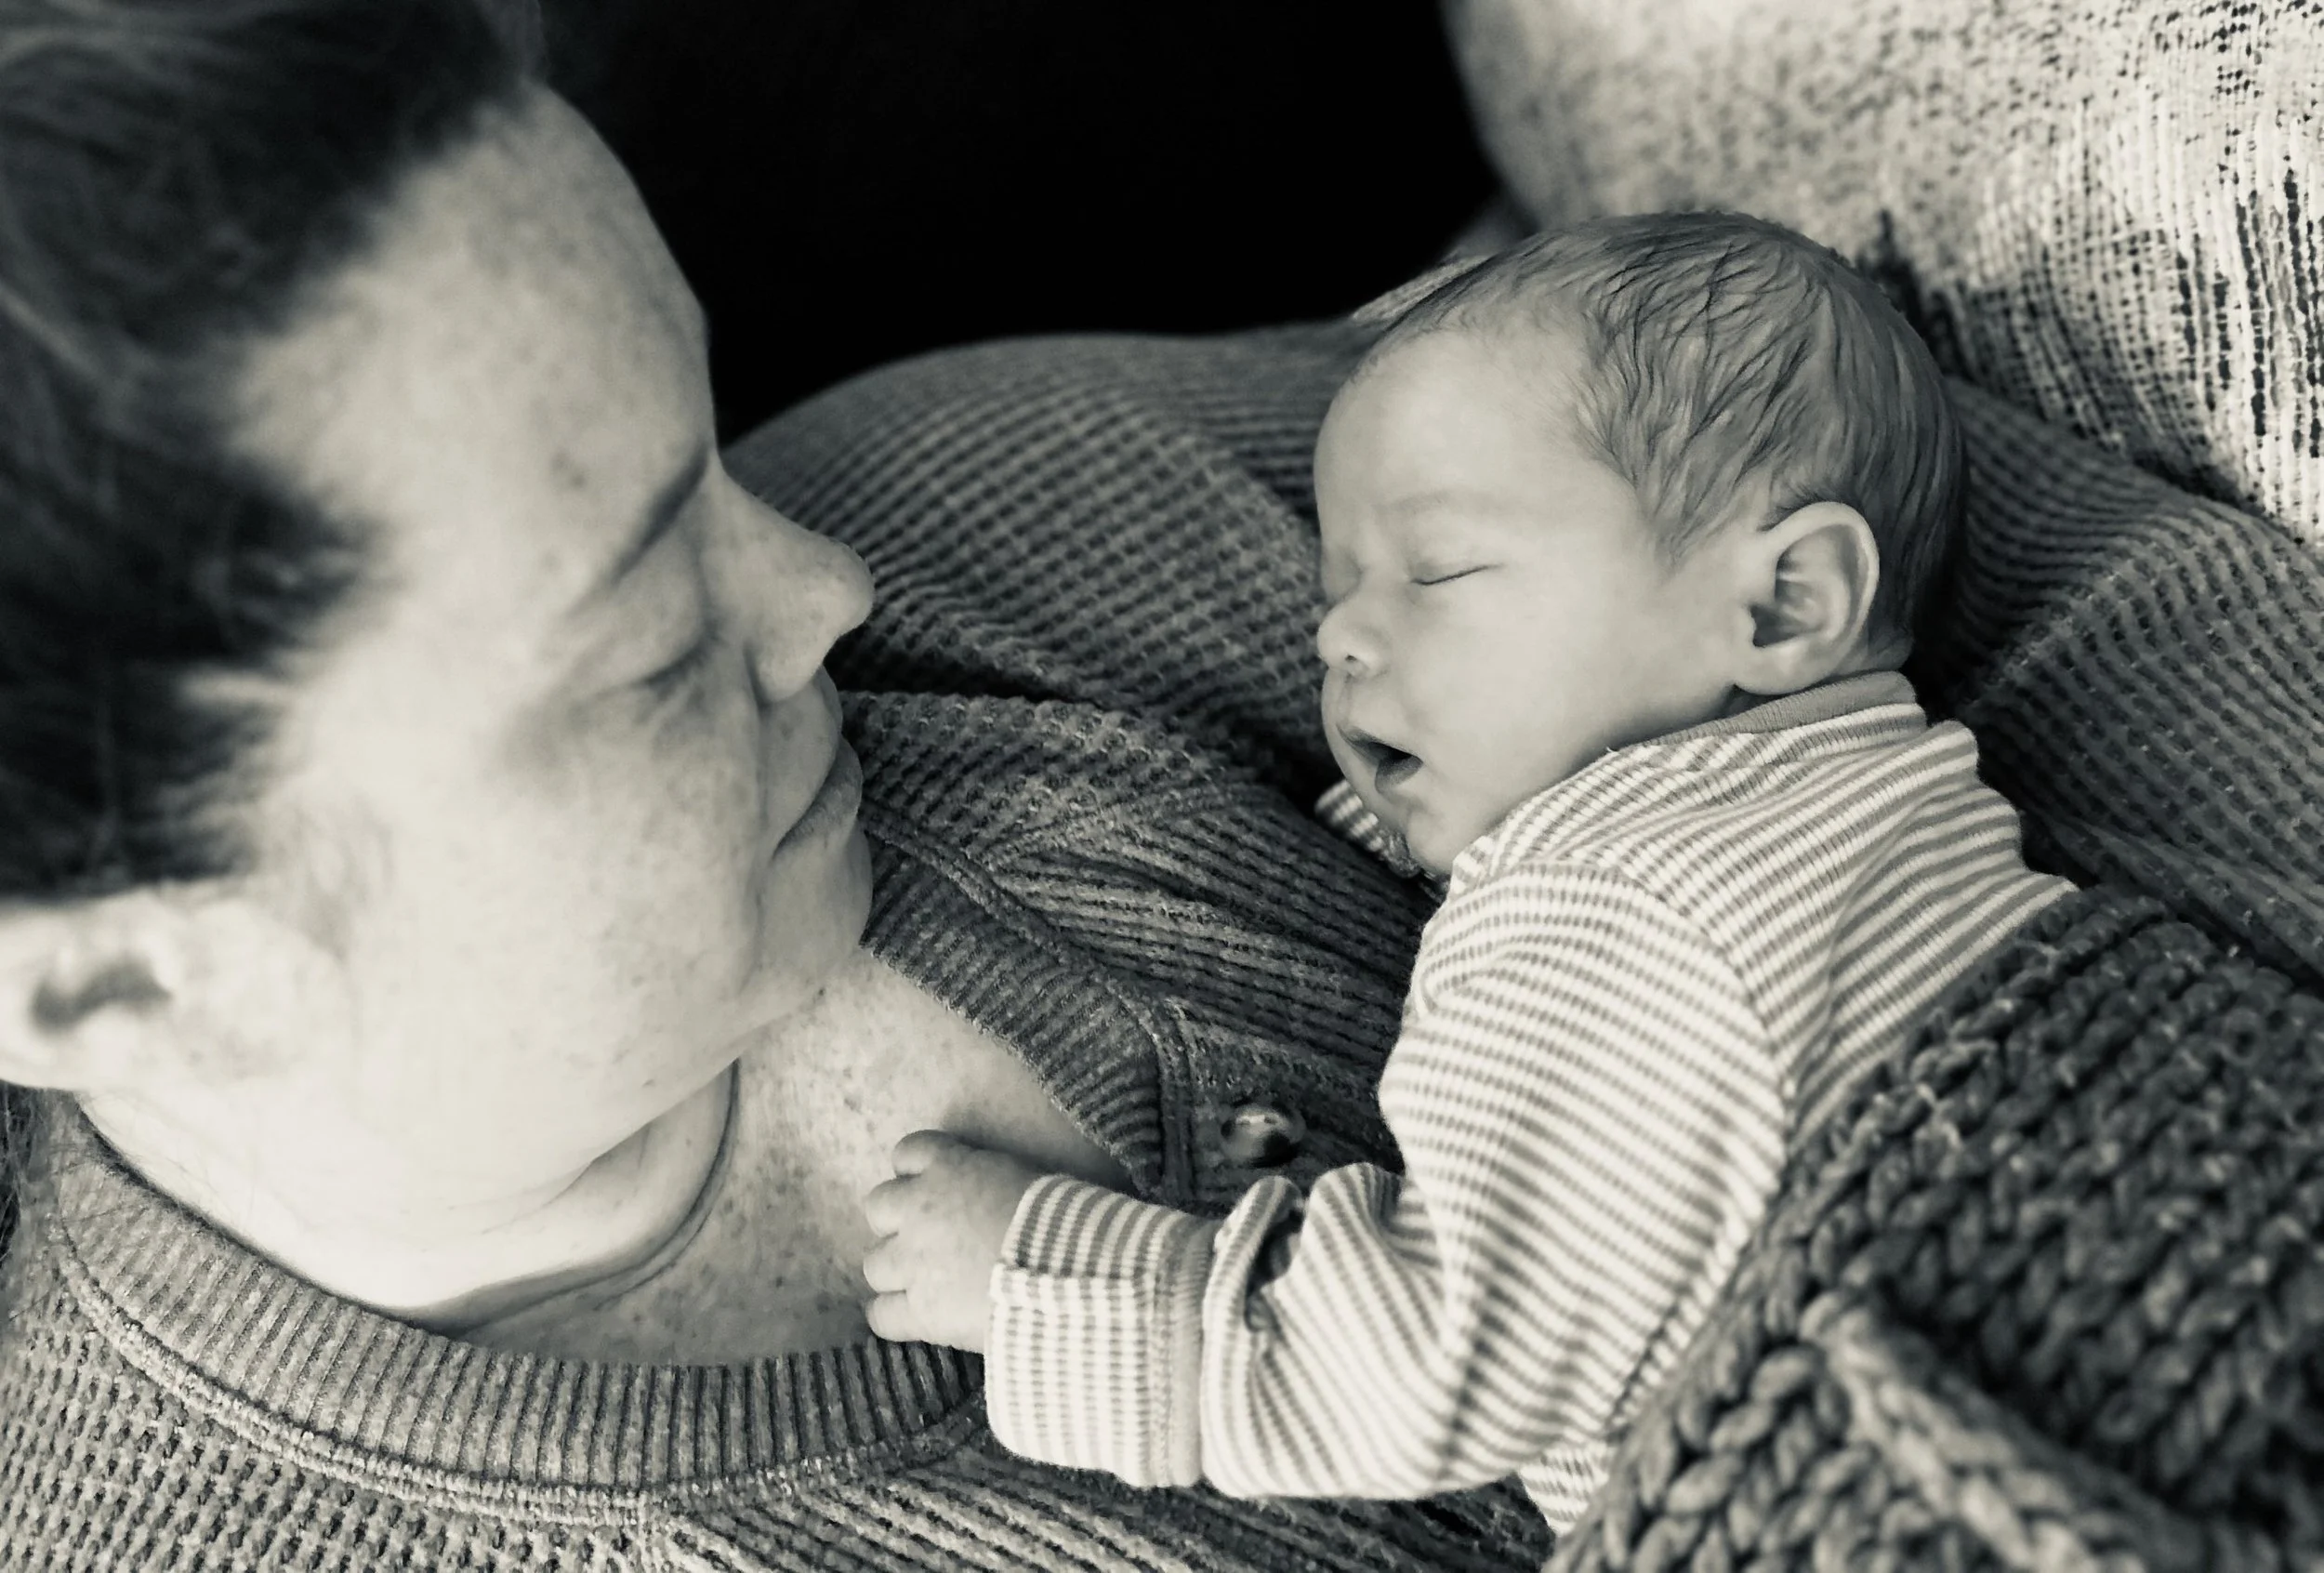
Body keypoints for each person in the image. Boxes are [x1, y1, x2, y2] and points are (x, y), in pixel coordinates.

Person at [0, 2, 1548, 1566]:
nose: (828, 589)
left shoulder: (990, 523)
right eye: (654, 646)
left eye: (709, 449)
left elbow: (1744, 505)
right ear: (124, 975)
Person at [856, 215, 2076, 1531]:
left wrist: (1037, 1281)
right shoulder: (1874, 821)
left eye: (1436, 568)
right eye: (1337, 587)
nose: (1336, 634)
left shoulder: (1630, 913)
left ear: (1785, 605)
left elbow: (1438, 1364)